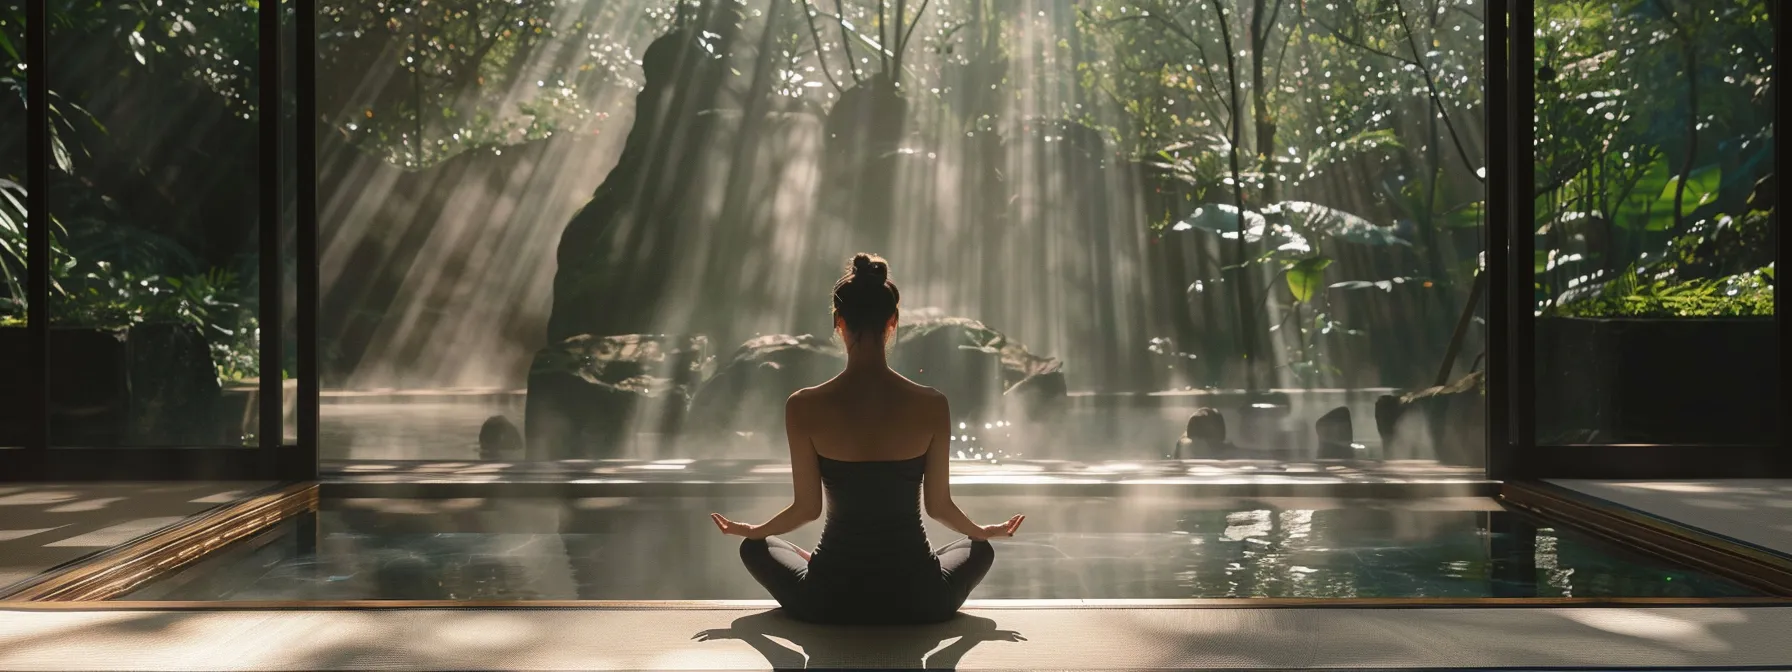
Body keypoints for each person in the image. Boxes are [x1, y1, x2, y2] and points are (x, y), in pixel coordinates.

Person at [709, 253, 1025, 625]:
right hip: (920, 598)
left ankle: (813, 561)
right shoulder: (932, 404)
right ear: (893, 323)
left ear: (838, 323)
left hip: (827, 598)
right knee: (980, 549)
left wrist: (757, 529)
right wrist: (980, 531)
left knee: (754, 548)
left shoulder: (803, 405)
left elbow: (807, 508)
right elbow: (939, 507)